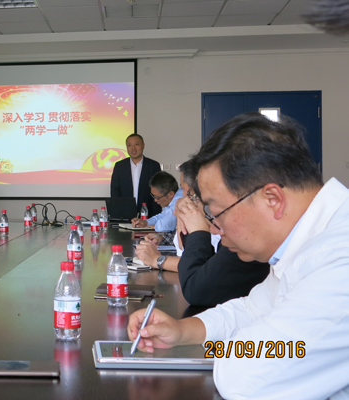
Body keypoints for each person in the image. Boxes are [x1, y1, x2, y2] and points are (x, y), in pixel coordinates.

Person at [128, 113, 349, 399]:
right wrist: (182, 331)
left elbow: (246, 379)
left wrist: (219, 347)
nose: (214, 228)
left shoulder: (339, 260)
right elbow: (252, 309)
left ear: (273, 200)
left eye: (215, 212)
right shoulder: (307, 240)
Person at [135, 159, 270, 306]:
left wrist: (198, 232)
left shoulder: (244, 236)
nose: (184, 197)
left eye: (190, 193)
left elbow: (198, 284)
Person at [110, 133, 162, 217]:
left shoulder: (153, 166)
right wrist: (118, 213)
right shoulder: (120, 166)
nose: (133, 148)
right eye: (129, 145)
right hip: (125, 214)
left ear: (143, 145)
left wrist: (155, 215)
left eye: (136, 144)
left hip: (148, 214)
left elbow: (158, 191)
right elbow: (115, 190)